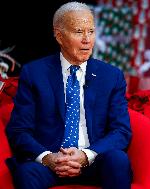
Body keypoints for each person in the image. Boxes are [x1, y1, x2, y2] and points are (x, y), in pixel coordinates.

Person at [5, 2, 132, 189]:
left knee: (118, 160)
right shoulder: (34, 73)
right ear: (59, 36)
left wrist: (87, 155)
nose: (87, 40)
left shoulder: (111, 76)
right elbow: (19, 131)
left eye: (91, 31)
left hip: (94, 161)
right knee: (26, 173)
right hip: (51, 163)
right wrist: (48, 158)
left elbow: (121, 130)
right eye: (79, 32)